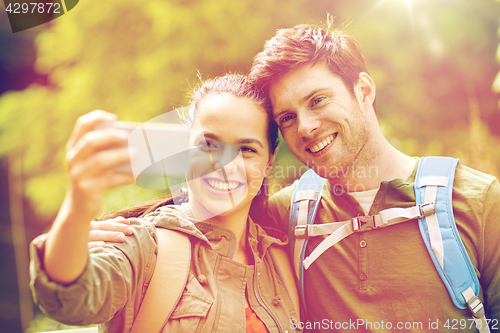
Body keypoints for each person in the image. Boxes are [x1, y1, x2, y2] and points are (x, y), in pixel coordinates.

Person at [91, 24, 500, 332]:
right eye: (287, 117)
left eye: (318, 100)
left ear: (364, 90)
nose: (305, 126)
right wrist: (115, 233)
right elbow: (204, 226)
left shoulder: (479, 202)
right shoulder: (284, 216)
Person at [29, 74, 302, 332]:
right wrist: (78, 206)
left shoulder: (283, 260)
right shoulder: (143, 245)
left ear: (269, 162)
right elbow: (72, 297)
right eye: (209, 145)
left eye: (246, 150)